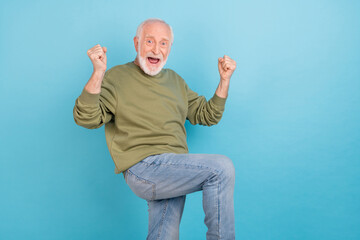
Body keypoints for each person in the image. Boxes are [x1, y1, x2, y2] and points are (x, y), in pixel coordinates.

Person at [73, 18, 237, 240]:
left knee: (164, 235)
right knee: (221, 168)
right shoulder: (117, 77)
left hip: (174, 167)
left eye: (163, 43)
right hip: (143, 167)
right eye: (149, 41)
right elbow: (87, 118)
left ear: (170, 48)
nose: (156, 49)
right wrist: (99, 72)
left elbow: (207, 115)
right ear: (136, 43)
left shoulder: (176, 81)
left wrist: (224, 81)